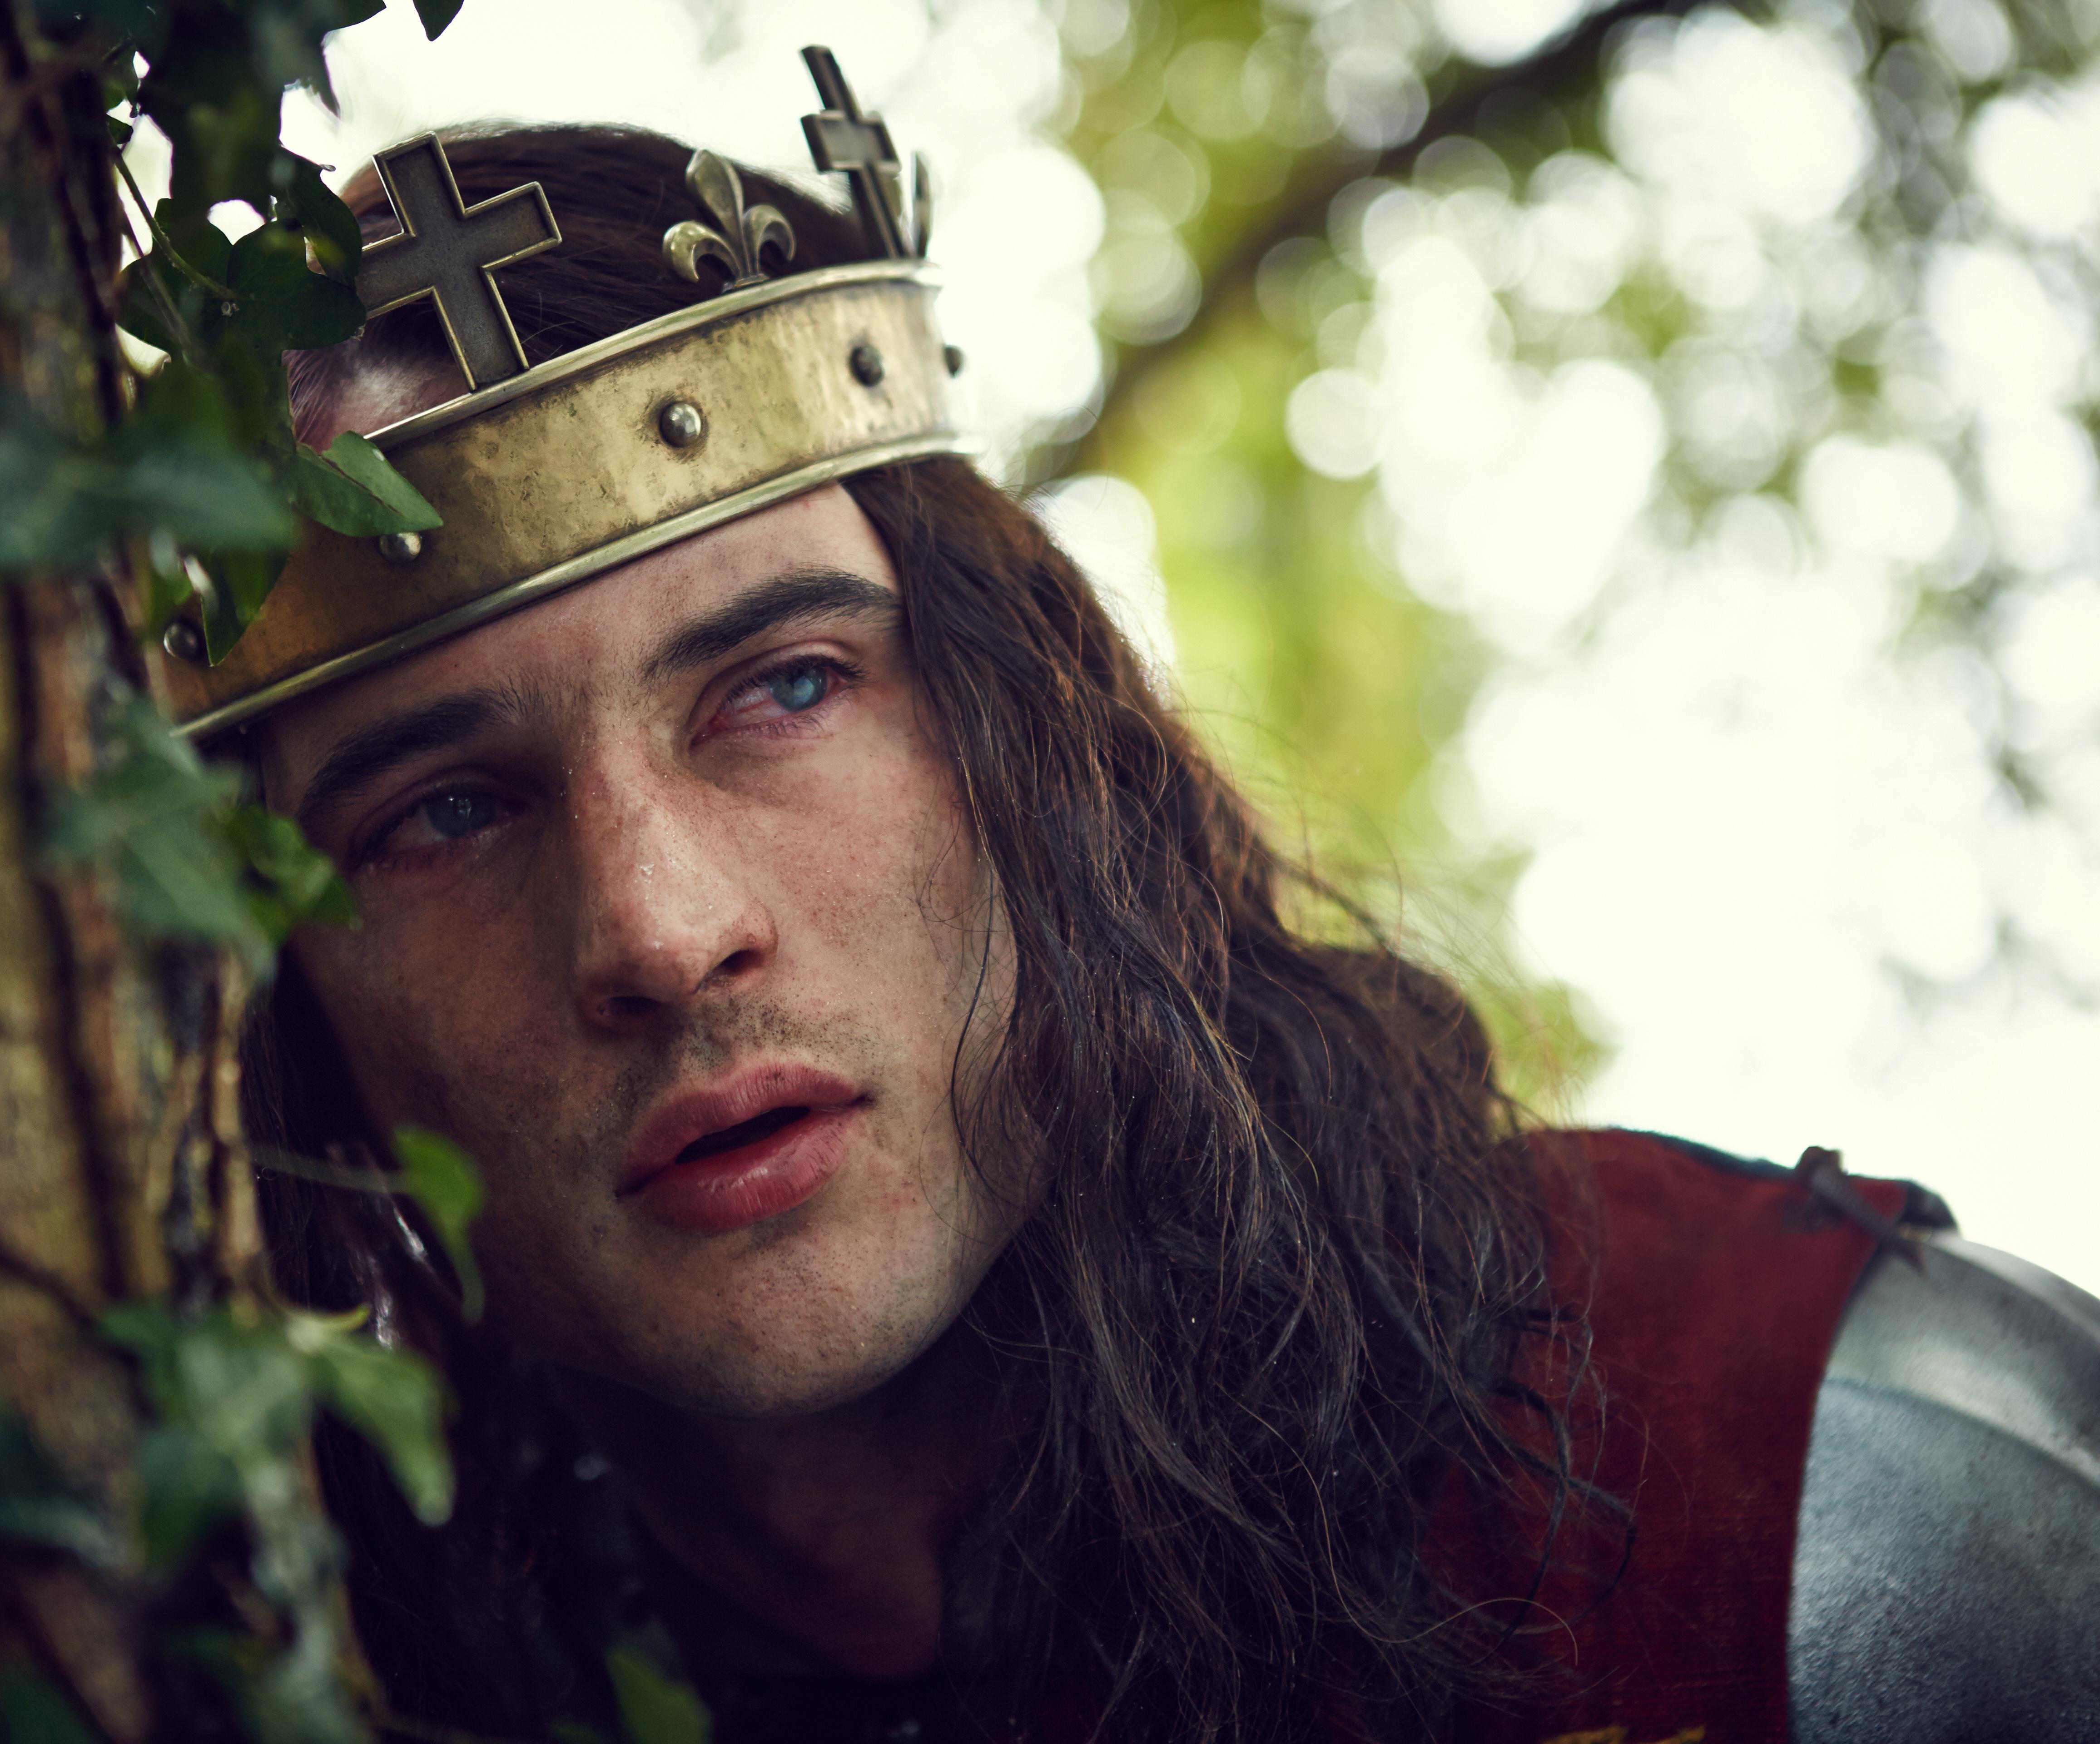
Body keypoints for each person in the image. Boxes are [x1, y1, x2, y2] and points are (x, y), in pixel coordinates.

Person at [163, 58, 2100, 1744]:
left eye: (787, 688)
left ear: (1027, 735)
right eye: (443, 812)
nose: (662, 934)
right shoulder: (234, 1670)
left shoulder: (1830, 1481)